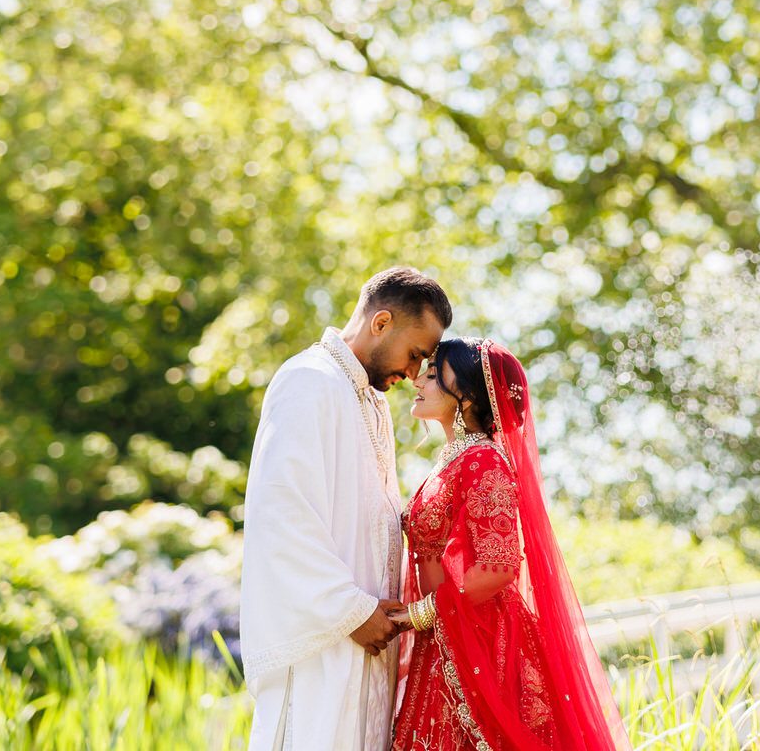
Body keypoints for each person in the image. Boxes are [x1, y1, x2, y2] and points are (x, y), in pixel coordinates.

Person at [241, 267, 452, 751]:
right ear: (381, 323)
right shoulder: (308, 380)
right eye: (415, 354)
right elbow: (282, 514)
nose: (416, 373)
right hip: (322, 647)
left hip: (367, 648)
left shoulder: (372, 404)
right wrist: (351, 611)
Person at [389, 338, 630, 751]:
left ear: (466, 396)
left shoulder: (484, 460)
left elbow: (497, 568)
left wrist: (420, 613)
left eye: (433, 374)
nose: (418, 381)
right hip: (449, 635)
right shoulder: (454, 459)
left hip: (483, 644)